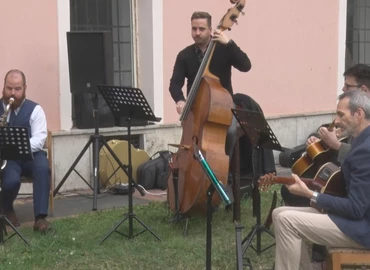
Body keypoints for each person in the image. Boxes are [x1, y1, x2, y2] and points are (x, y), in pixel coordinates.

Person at [273, 90, 370, 270]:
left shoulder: (366, 149)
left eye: (341, 114)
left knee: (287, 221)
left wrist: (310, 194)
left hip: (363, 229)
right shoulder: (360, 140)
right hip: (356, 219)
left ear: (359, 114)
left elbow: (356, 209)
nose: (337, 120)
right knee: (279, 213)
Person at [169, 11, 251, 157]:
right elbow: (174, 84)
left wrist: (230, 43)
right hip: (195, 109)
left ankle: (223, 167)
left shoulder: (224, 49)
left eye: (201, 29)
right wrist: (179, 100)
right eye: (194, 29)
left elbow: (246, 66)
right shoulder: (184, 55)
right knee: (191, 139)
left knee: (230, 132)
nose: (197, 33)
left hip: (223, 107)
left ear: (210, 30)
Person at [0, 69, 50, 233]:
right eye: (9, 88)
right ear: (3, 87)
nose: (12, 93)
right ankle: (7, 209)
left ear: (25, 88)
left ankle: (40, 218)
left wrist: (17, 144)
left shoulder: (35, 110)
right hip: (8, 158)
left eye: (17, 88)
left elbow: (39, 139)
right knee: (11, 181)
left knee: (43, 168)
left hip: (31, 155)